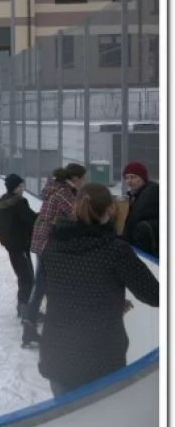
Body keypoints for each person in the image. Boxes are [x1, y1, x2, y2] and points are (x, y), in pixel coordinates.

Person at [38, 183, 158, 397]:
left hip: (57, 354)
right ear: (112, 209)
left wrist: (109, 300)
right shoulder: (115, 251)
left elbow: (61, 289)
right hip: (99, 360)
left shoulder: (52, 246)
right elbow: (155, 294)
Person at [21, 163, 87, 347]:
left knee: (41, 285)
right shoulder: (63, 193)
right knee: (41, 285)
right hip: (48, 244)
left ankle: (30, 326)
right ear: (75, 179)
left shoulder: (55, 188)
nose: (85, 181)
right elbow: (78, 215)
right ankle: (30, 328)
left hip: (42, 241)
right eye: (83, 178)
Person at [0, 174, 37, 319]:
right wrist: (45, 215)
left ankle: (22, 309)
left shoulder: (5, 203)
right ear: (14, 188)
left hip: (12, 246)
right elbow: (31, 219)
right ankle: (26, 312)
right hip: (20, 245)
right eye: (20, 186)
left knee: (23, 277)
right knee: (27, 279)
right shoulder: (19, 203)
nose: (22, 188)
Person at [120, 162, 159, 256]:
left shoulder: (151, 194)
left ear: (143, 178)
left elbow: (135, 220)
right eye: (127, 178)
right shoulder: (133, 197)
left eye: (133, 177)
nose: (129, 181)